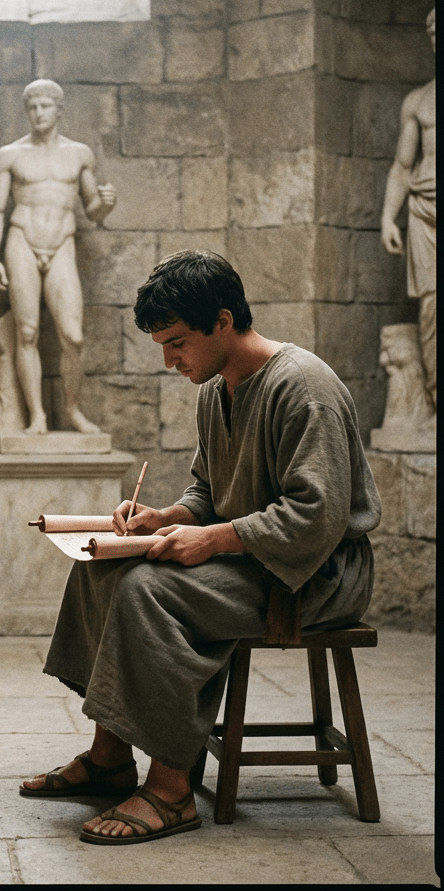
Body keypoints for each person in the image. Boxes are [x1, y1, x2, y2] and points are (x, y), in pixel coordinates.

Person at [20, 250, 381, 845]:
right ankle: (110, 758)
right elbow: (208, 492)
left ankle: (171, 790)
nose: (169, 360)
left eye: (177, 343)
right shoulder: (216, 389)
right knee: (98, 568)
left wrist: (210, 539)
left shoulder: (303, 388)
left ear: (223, 321)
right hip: (253, 558)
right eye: (162, 345)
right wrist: (167, 517)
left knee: (149, 591)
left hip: (319, 574)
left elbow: (316, 518)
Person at [0, 79, 117, 435]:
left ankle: (72, 409)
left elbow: (92, 209)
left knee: (73, 336)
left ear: (59, 110)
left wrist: (105, 205)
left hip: (61, 244)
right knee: (27, 331)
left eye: (45, 106)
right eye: (32, 107)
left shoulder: (78, 154)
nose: (38, 113)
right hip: (22, 240)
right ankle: (37, 415)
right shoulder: (10, 155)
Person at [380, 7, 435, 411]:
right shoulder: (418, 101)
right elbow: (402, 166)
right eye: (433, 33)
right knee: (432, 309)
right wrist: (388, 217)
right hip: (424, 213)